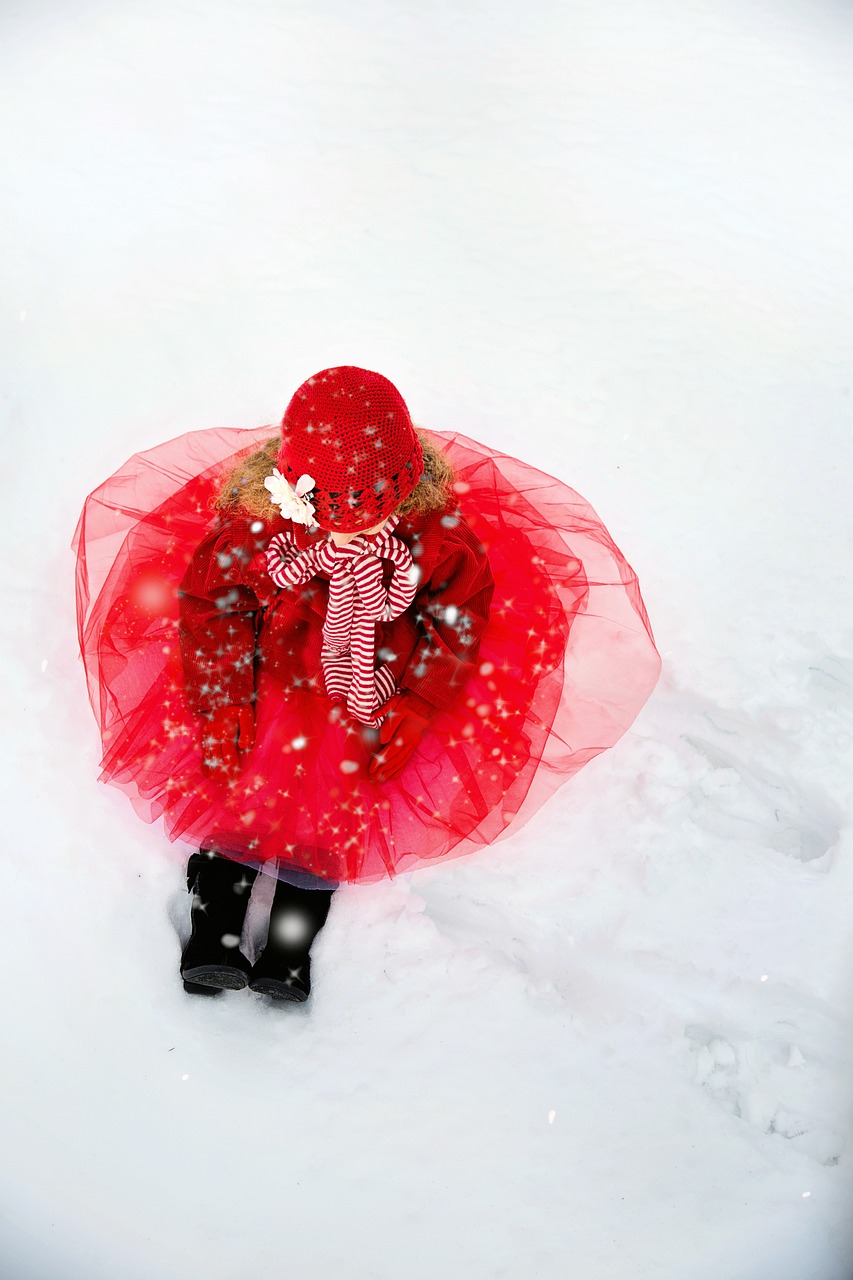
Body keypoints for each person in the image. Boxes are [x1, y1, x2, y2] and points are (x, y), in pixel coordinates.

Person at [73, 365, 661, 1004]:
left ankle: (290, 941)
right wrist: (221, 697)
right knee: (238, 784)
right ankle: (216, 920)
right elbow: (217, 604)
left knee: (334, 803)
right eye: (330, 517)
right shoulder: (259, 524)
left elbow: (455, 617)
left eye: (368, 516)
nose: (347, 533)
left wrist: (420, 697)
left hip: (370, 683)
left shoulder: (433, 536)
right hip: (272, 673)